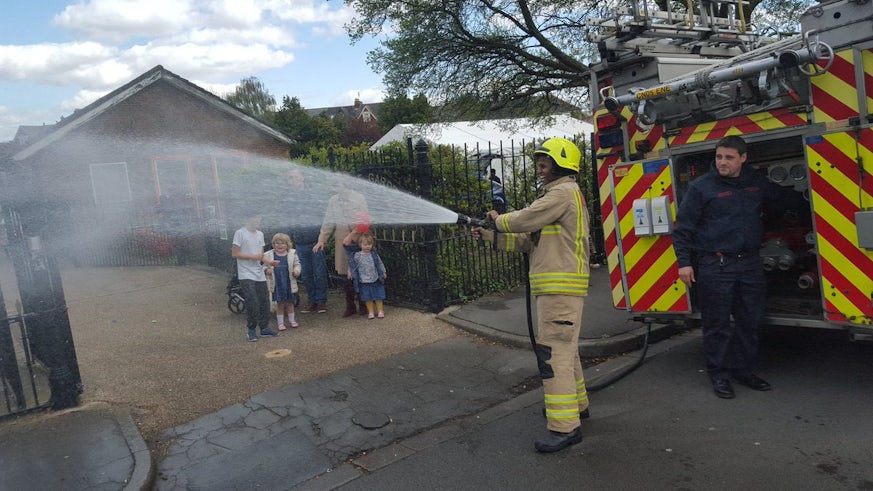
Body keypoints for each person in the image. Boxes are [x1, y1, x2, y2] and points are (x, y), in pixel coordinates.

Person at [472, 137, 591, 453]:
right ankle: (577, 407)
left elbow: (523, 219)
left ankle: (564, 427)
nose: (539, 171)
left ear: (560, 166)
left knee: (554, 355)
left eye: (544, 165)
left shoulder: (561, 194)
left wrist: (498, 220)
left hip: (559, 289)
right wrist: (491, 236)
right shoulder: (561, 197)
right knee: (566, 351)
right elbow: (529, 241)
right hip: (560, 288)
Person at [673, 135, 773, 399]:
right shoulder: (701, 188)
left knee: (750, 321)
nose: (722, 162)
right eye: (719, 157)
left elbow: (780, 201)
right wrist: (684, 264)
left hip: (750, 264)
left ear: (743, 158)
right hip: (716, 265)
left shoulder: (755, 183)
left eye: (729, 157)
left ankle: (744, 371)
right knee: (717, 325)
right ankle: (720, 377)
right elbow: (683, 229)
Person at [315, 180, 370, 318]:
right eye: (335, 186)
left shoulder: (359, 198)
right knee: (346, 275)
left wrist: (352, 235)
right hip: (342, 242)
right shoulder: (333, 201)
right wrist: (322, 240)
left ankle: (364, 305)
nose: (337, 189)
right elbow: (328, 221)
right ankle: (350, 306)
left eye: (339, 186)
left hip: (360, 241)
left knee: (361, 273)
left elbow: (364, 220)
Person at [231, 213, 279, 342]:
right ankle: (251, 330)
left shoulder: (260, 234)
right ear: (248, 218)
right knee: (252, 301)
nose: (258, 220)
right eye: (255, 218)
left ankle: (264, 328)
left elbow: (261, 255)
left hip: (259, 273)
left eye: (259, 218)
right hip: (245, 273)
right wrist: (253, 257)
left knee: (264, 301)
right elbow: (235, 253)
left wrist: (270, 262)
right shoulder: (240, 233)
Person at [287, 168, 329, 314]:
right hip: (300, 243)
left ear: (302, 178)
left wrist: (321, 239)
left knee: (319, 273)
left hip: (315, 242)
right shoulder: (288, 200)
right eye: (291, 178)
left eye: (296, 177)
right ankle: (312, 301)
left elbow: (323, 217)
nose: (293, 180)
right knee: (305, 275)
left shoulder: (312, 196)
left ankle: (321, 301)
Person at [263, 233, 302, 330]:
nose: (280, 245)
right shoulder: (268, 255)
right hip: (277, 283)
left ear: (288, 245)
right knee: (279, 304)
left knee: (290, 303)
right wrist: (266, 270)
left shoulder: (292, 253)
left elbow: (297, 264)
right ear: (273, 244)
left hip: (288, 283)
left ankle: (292, 320)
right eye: (277, 243)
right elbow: (262, 266)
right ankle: (280, 323)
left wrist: (297, 271)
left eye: (283, 243)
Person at [346, 233, 387, 319]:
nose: (367, 246)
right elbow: (352, 265)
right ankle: (371, 311)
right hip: (364, 280)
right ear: (360, 245)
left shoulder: (374, 254)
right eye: (365, 244)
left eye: (369, 244)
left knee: (378, 296)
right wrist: (350, 272)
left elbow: (380, 263)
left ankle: (380, 310)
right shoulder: (357, 256)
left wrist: (383, 272)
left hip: (375, 279)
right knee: (367, 297)